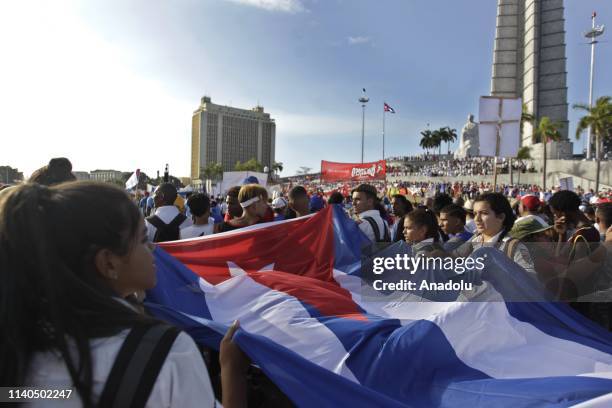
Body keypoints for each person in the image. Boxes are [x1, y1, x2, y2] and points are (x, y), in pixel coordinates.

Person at [0, 182, 248, 408]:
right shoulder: (166, 355)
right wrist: (232, 370)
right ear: (108, 263)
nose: (153, 247)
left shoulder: (17, 346)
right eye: (142, 240)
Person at [451, 192, 536, 277]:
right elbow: (452, 259)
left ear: (501, 217)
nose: (477, 219)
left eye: (484, 213)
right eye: (475, 213)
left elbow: (530, 280)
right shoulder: (475, 240)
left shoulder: (514, 247)